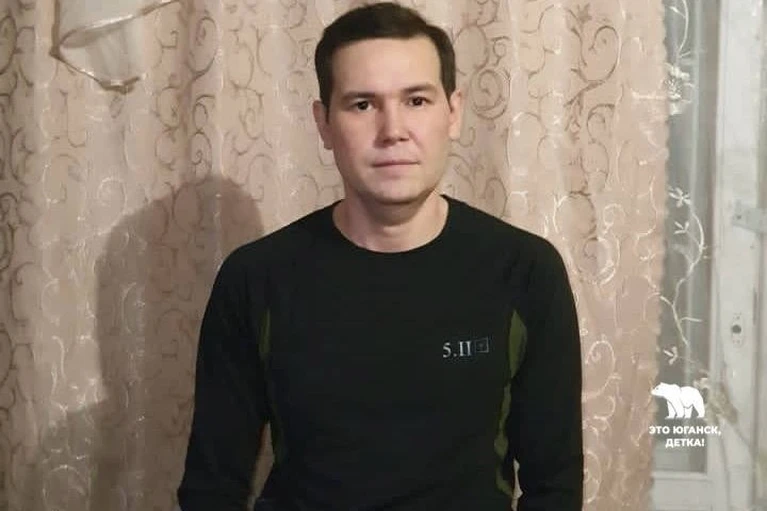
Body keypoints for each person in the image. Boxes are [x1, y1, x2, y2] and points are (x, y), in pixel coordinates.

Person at [177, 3, 583, 510]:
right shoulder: (255, 279)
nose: (393, 129)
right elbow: (211, 487)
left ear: (453, 113)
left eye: (416, 100)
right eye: (363, 104)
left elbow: (555, 486)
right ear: (324, 124)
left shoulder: (525, 271)